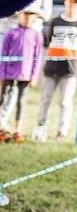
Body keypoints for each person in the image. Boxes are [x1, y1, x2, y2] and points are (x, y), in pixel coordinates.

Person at [33, 0, 77, 140]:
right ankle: (40, 126)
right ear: (65, 1)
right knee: (46, 98)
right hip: (51, 66)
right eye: (70, 1)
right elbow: (50, 40)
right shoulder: (55, 21)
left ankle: (62, 131)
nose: (73, 5)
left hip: (69, 68)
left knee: (65, 101)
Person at [0, 8, 44, 141]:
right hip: (9, 72)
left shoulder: (36, 36)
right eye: (26, 14)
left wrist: (34, 75)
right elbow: (4, 54)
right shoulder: (11, 33)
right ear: (19, 15)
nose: (28, 18)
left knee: (21, 101)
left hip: (25, 74)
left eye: (31, 15)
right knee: (3, 98)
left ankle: (17, 130)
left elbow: (37, 57)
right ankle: (1, 126)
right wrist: (2, 73)